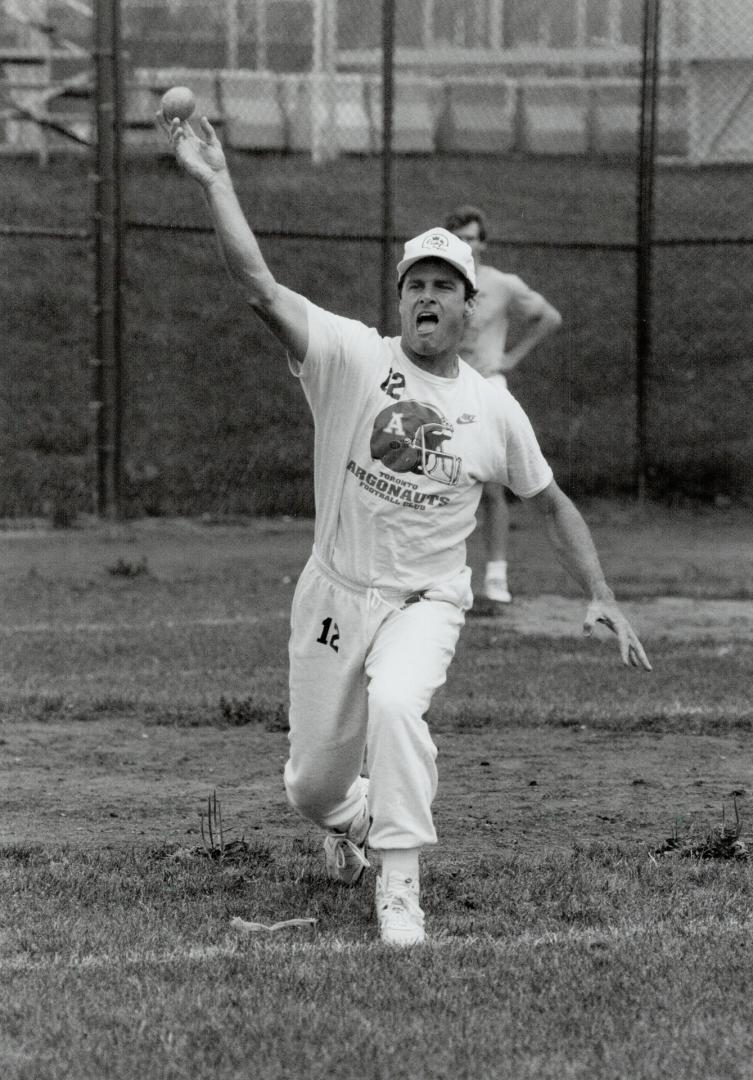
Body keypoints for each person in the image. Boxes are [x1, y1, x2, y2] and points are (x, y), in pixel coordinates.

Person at [158, 113, 652, 948]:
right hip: (333, 591)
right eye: (413, 284)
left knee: (395, 705)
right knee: (312, 791)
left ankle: (400, 886)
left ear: (469, 305)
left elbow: (549, 500)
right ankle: (355, 823)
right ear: (400, 302)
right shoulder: (352, 358)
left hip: (425, 599)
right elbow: (261, 287)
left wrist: (598, 592)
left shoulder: (490, 407)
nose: (426, 296)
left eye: (443, 285)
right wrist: (217, 184)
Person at [444, 205, 562, 606]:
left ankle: (495, 577)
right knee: (435, 481)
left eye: (472, 238)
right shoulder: (438, 283)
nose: (466, 245)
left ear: (483, 243)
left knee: (491, 487)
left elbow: (549, 317)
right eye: (458, 238)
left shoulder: (502, 284)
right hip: (442, 389)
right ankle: (440, 576)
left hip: (486, 390)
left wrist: (511, 358)